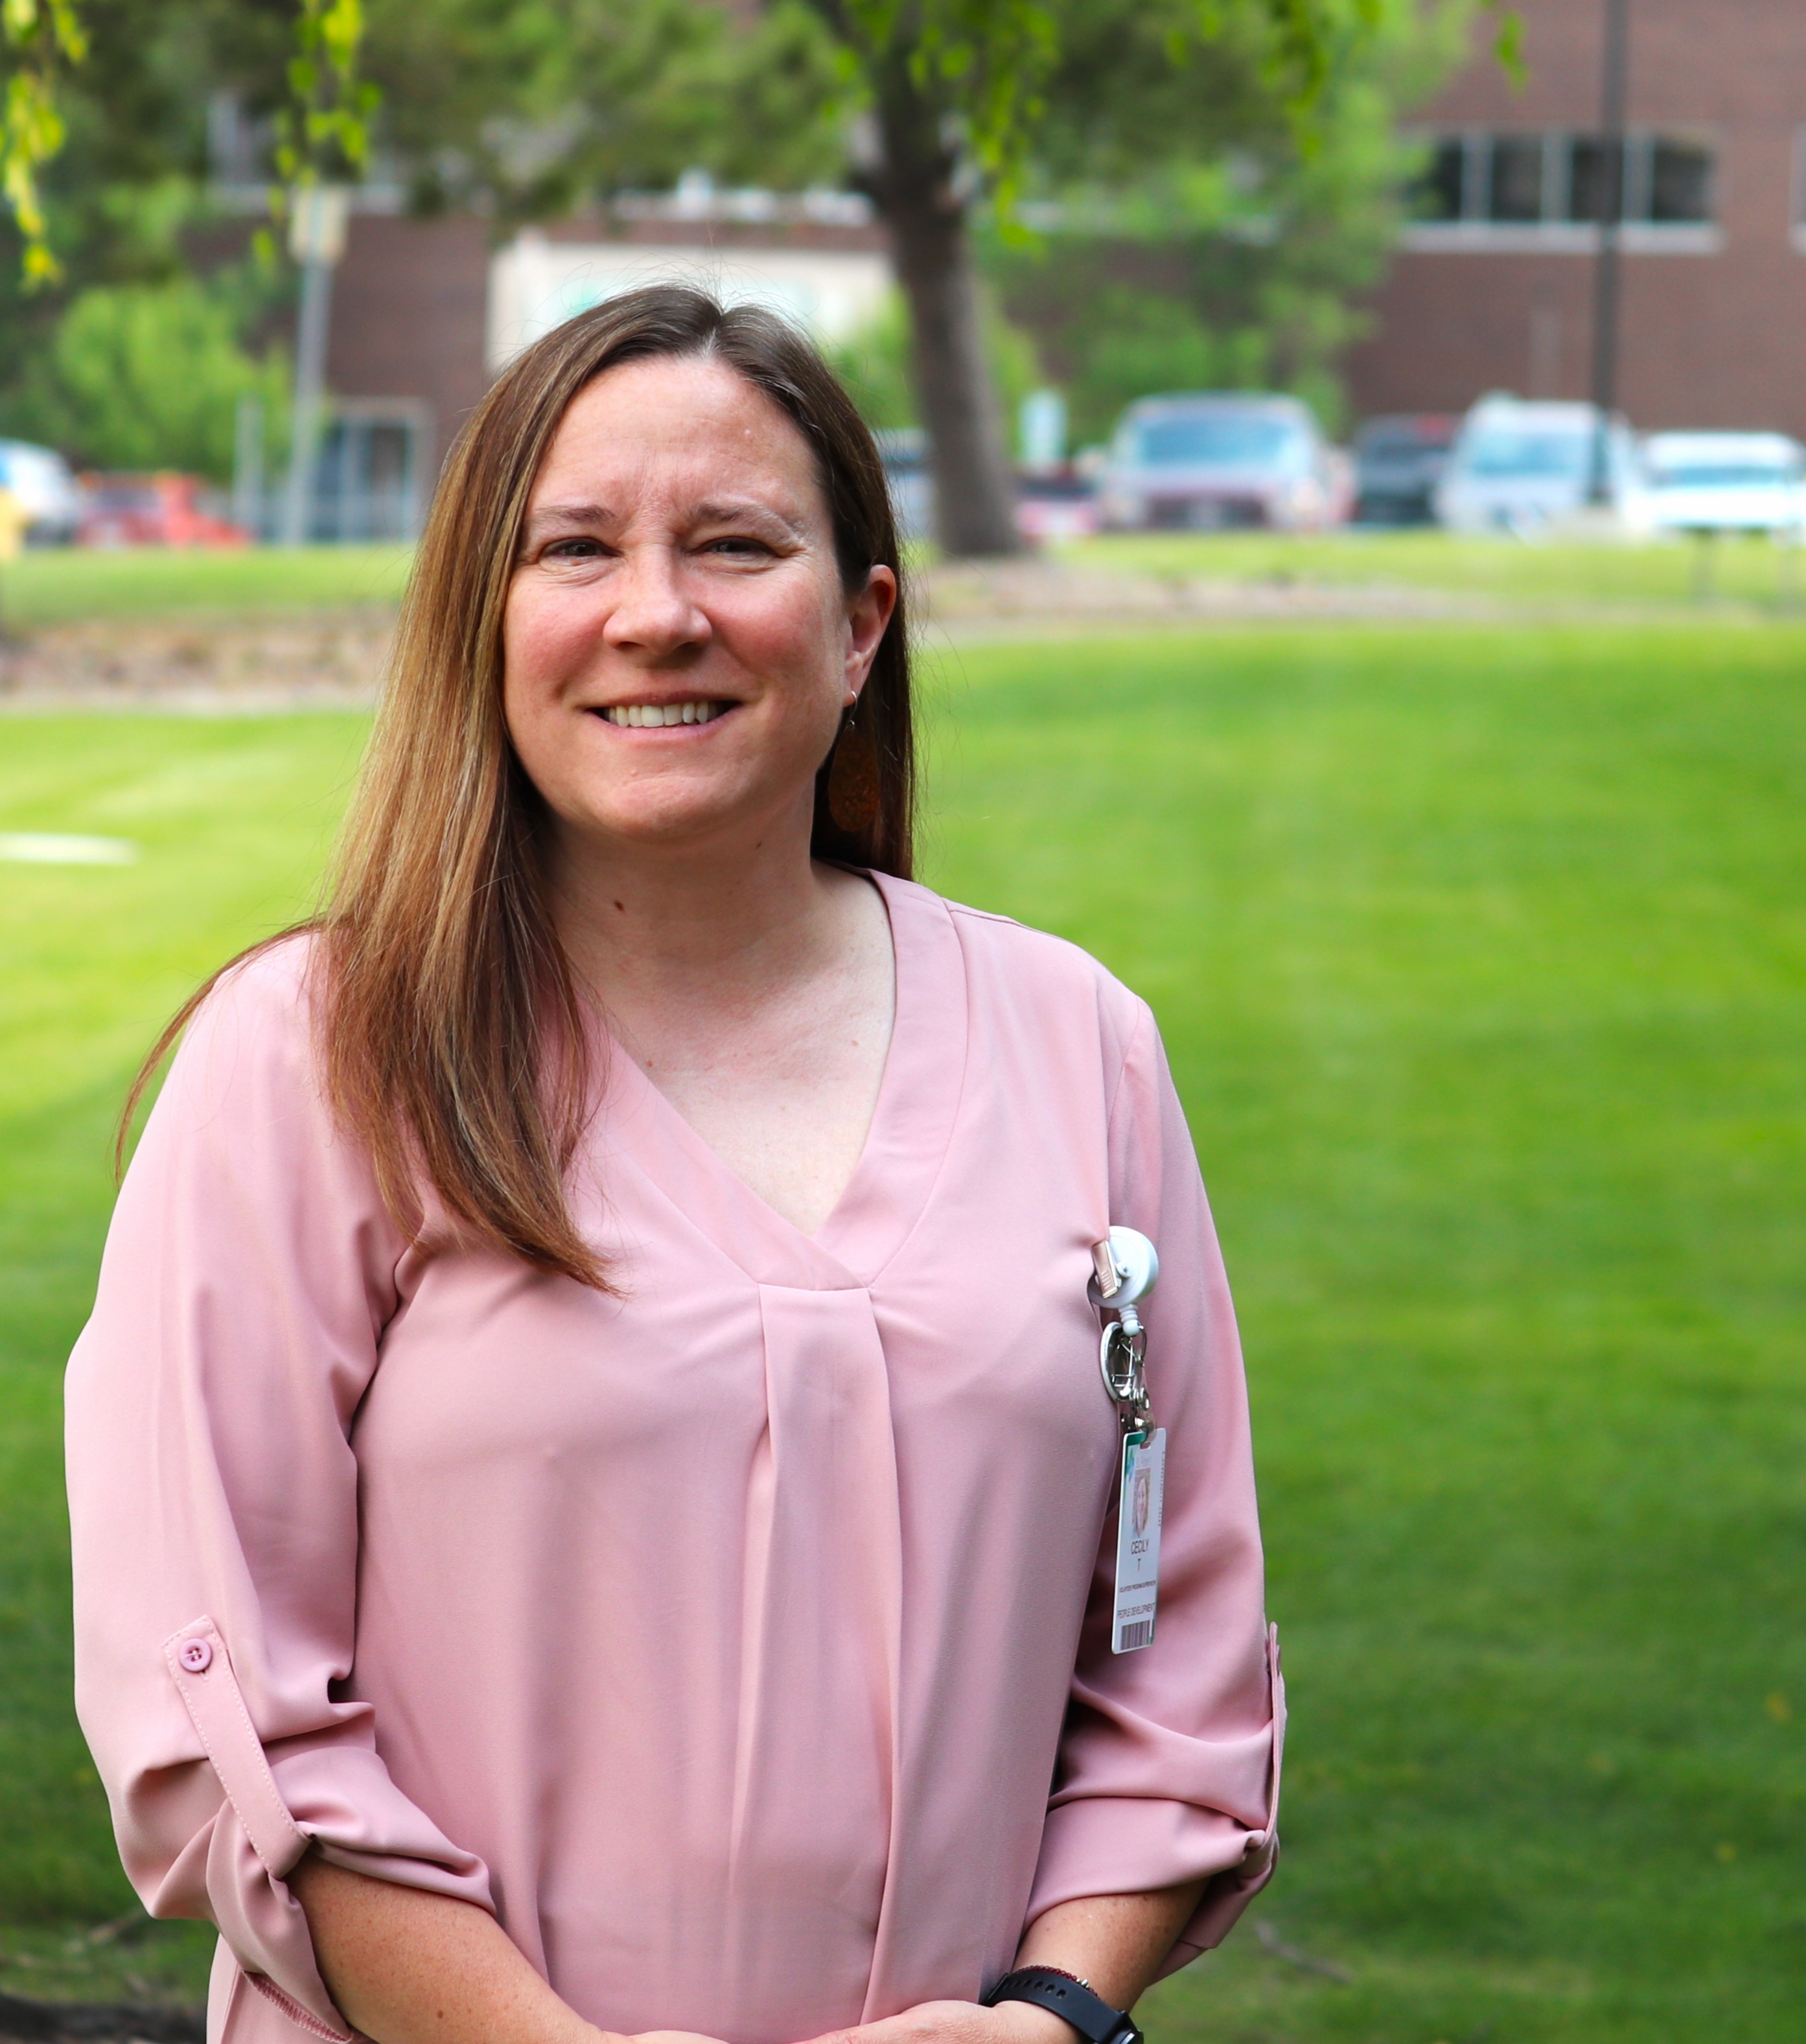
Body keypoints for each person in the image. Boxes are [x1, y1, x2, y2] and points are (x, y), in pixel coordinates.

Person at [65, 286, 1281, 2044]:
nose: (658, 614)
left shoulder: (1076, 1046)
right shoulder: (315, 1062)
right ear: (483, 620)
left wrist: (1045, 2021)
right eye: (576, 550)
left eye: (735, 542)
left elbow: (1179, 1675)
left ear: (863, 624)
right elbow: (231, 1717)